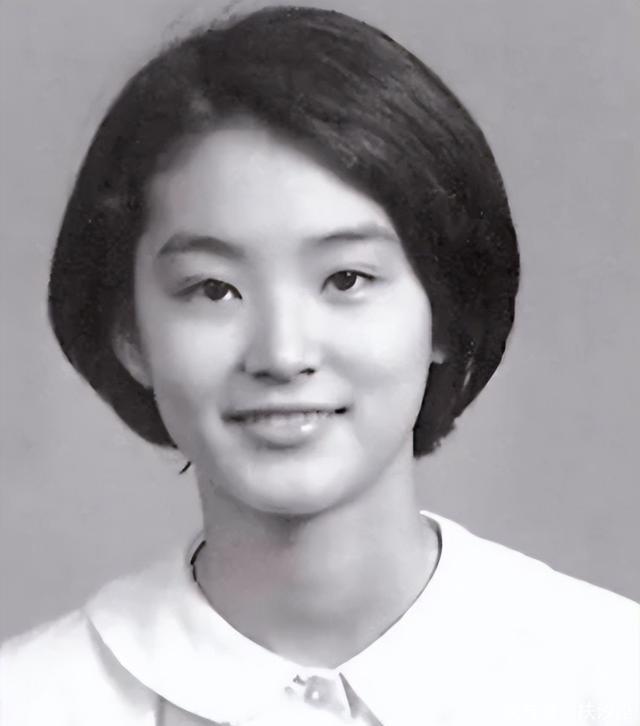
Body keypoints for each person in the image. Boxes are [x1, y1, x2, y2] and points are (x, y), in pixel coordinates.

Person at [1, 6, 637, 725]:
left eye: (346, 279)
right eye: (214, 289)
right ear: (130, 335)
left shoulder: (614, 679)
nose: (282, 354)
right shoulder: (29, 701)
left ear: (445, 311)